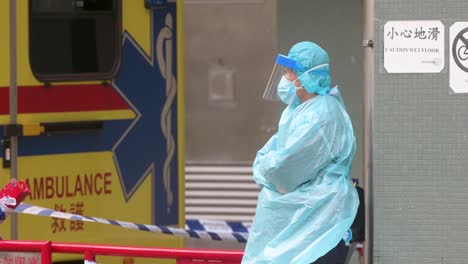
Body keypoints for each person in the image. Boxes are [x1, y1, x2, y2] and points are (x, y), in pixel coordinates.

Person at [241, 41, 359, 264]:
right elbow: (273, 151)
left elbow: (283, 169)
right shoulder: (297, 111)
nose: (284, 78)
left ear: (306, 75)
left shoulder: (321, 115)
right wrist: (268, 166)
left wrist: (266, 169)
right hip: (302, 213)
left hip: (321, 213)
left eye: (289, 72)